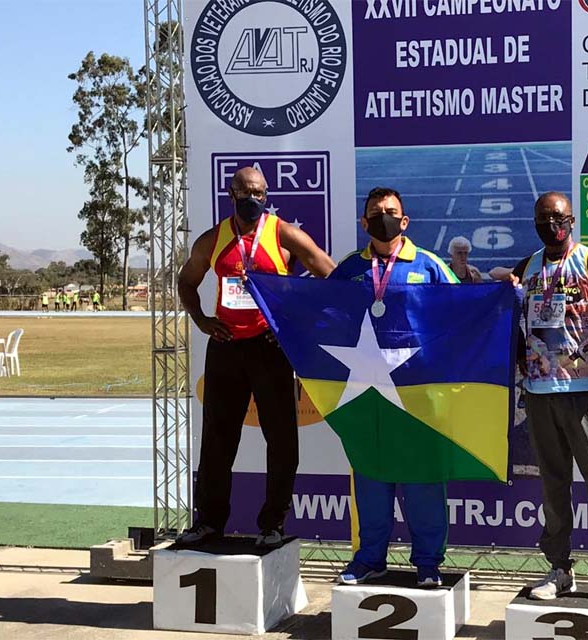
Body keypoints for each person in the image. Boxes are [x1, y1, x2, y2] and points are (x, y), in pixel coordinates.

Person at [175, 166, 335, 548]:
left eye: (260, 193)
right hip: (226, 346)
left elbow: (327, 270)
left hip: (269, 347)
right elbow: (186, 281)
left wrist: (301, 315)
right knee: (217, 439)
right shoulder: (213, 239)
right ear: (231, 194)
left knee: (281, 439)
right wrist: (201, 320)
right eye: (246, 192)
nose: (253, 199)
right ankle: (209, 522)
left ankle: (273, 524)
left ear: (267, 196)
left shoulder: (282, 233)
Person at [500, 192, 588, 607]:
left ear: (571, 220)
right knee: (552, 488)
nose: (551, 224)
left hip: (586, 394)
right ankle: (560, 569)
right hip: (540, 394)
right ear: (535, 222)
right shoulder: (526, 268)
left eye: (558, 217)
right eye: (543, 218)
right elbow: (511, 321)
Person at [330, 186, 459, 588]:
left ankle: (428, 563)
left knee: (423, 480)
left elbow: (465, 309)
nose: (382, 218)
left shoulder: (429, 265)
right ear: (363, 222)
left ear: (404, 221)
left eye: (390, 212)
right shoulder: (349, 269)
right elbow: (319, 312)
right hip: (365, 396)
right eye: (375, 212)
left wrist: (506, 296)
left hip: (418, 397)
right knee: (371, 478)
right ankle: (370, 559)